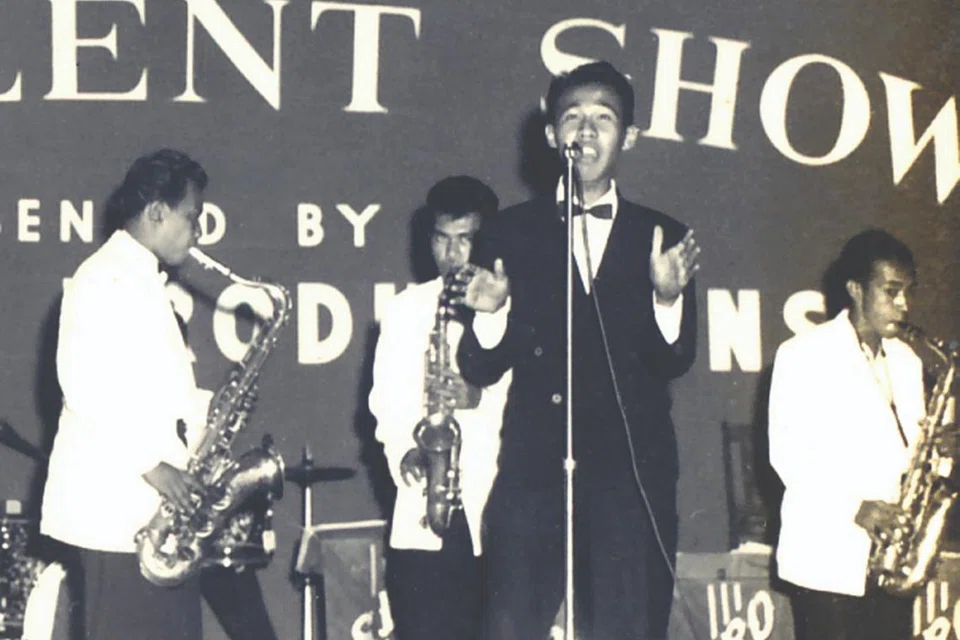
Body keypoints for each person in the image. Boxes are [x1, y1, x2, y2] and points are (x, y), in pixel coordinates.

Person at [453, 61, 700, 640]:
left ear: (630, 137)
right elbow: (480, 365)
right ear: (549, 135)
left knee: (627, 627)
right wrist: (489, 316)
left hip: (630, 478)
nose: (586, 132)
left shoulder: (661, 234)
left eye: (604, 119)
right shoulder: (509, 233)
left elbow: (675, 360)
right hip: (533, 473)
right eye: (572, 118)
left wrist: (666, 299)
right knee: (510, 625)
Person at [40, 148, 210, 640]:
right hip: (117, 511)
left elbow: (148, 392)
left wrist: (207, 411)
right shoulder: (102, 277)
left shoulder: (142, 280)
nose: (196, 231)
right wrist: (155, 466)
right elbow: (85, 385)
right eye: (191, 217)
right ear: (157, 211)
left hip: (150, 516)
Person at [768, 229, 929, 640]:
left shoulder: (908, 362)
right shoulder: (802, 354)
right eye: (891, 291)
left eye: (908, 292)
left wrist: (939, 456)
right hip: (828, 557)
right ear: (856, 289)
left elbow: (912, 455)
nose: (903, 305)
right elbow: (789, 456)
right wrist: (855, 507)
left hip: (892, 564)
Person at [369, 176, 510, 640]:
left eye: (465, 240)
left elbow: (539, 401)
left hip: (497, 508)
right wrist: (406, 451)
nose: (451, 255)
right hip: (425, 511)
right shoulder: (405, 310)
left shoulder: (517, 306)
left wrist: (480, 397)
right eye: (441, 239)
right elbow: (385, 402)